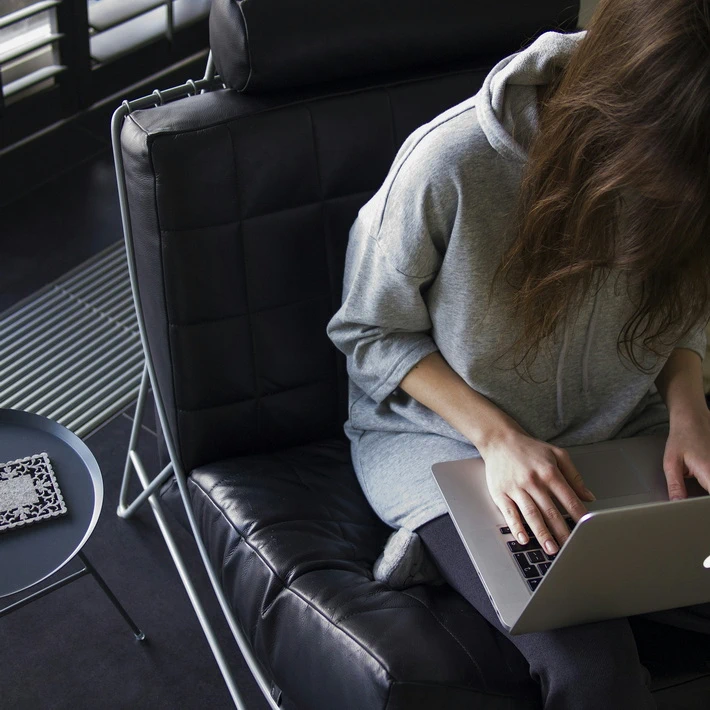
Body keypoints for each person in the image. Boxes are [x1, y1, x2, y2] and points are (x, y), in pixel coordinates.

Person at [326, 0, 710, 707]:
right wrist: (498, 439)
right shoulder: (451, 163)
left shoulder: (692, 167)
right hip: (448, 441)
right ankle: (442, 548)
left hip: (627, 426)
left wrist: (690, 408)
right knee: (593, 672)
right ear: (615, 114)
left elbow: (688, 306)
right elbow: (368, 334)